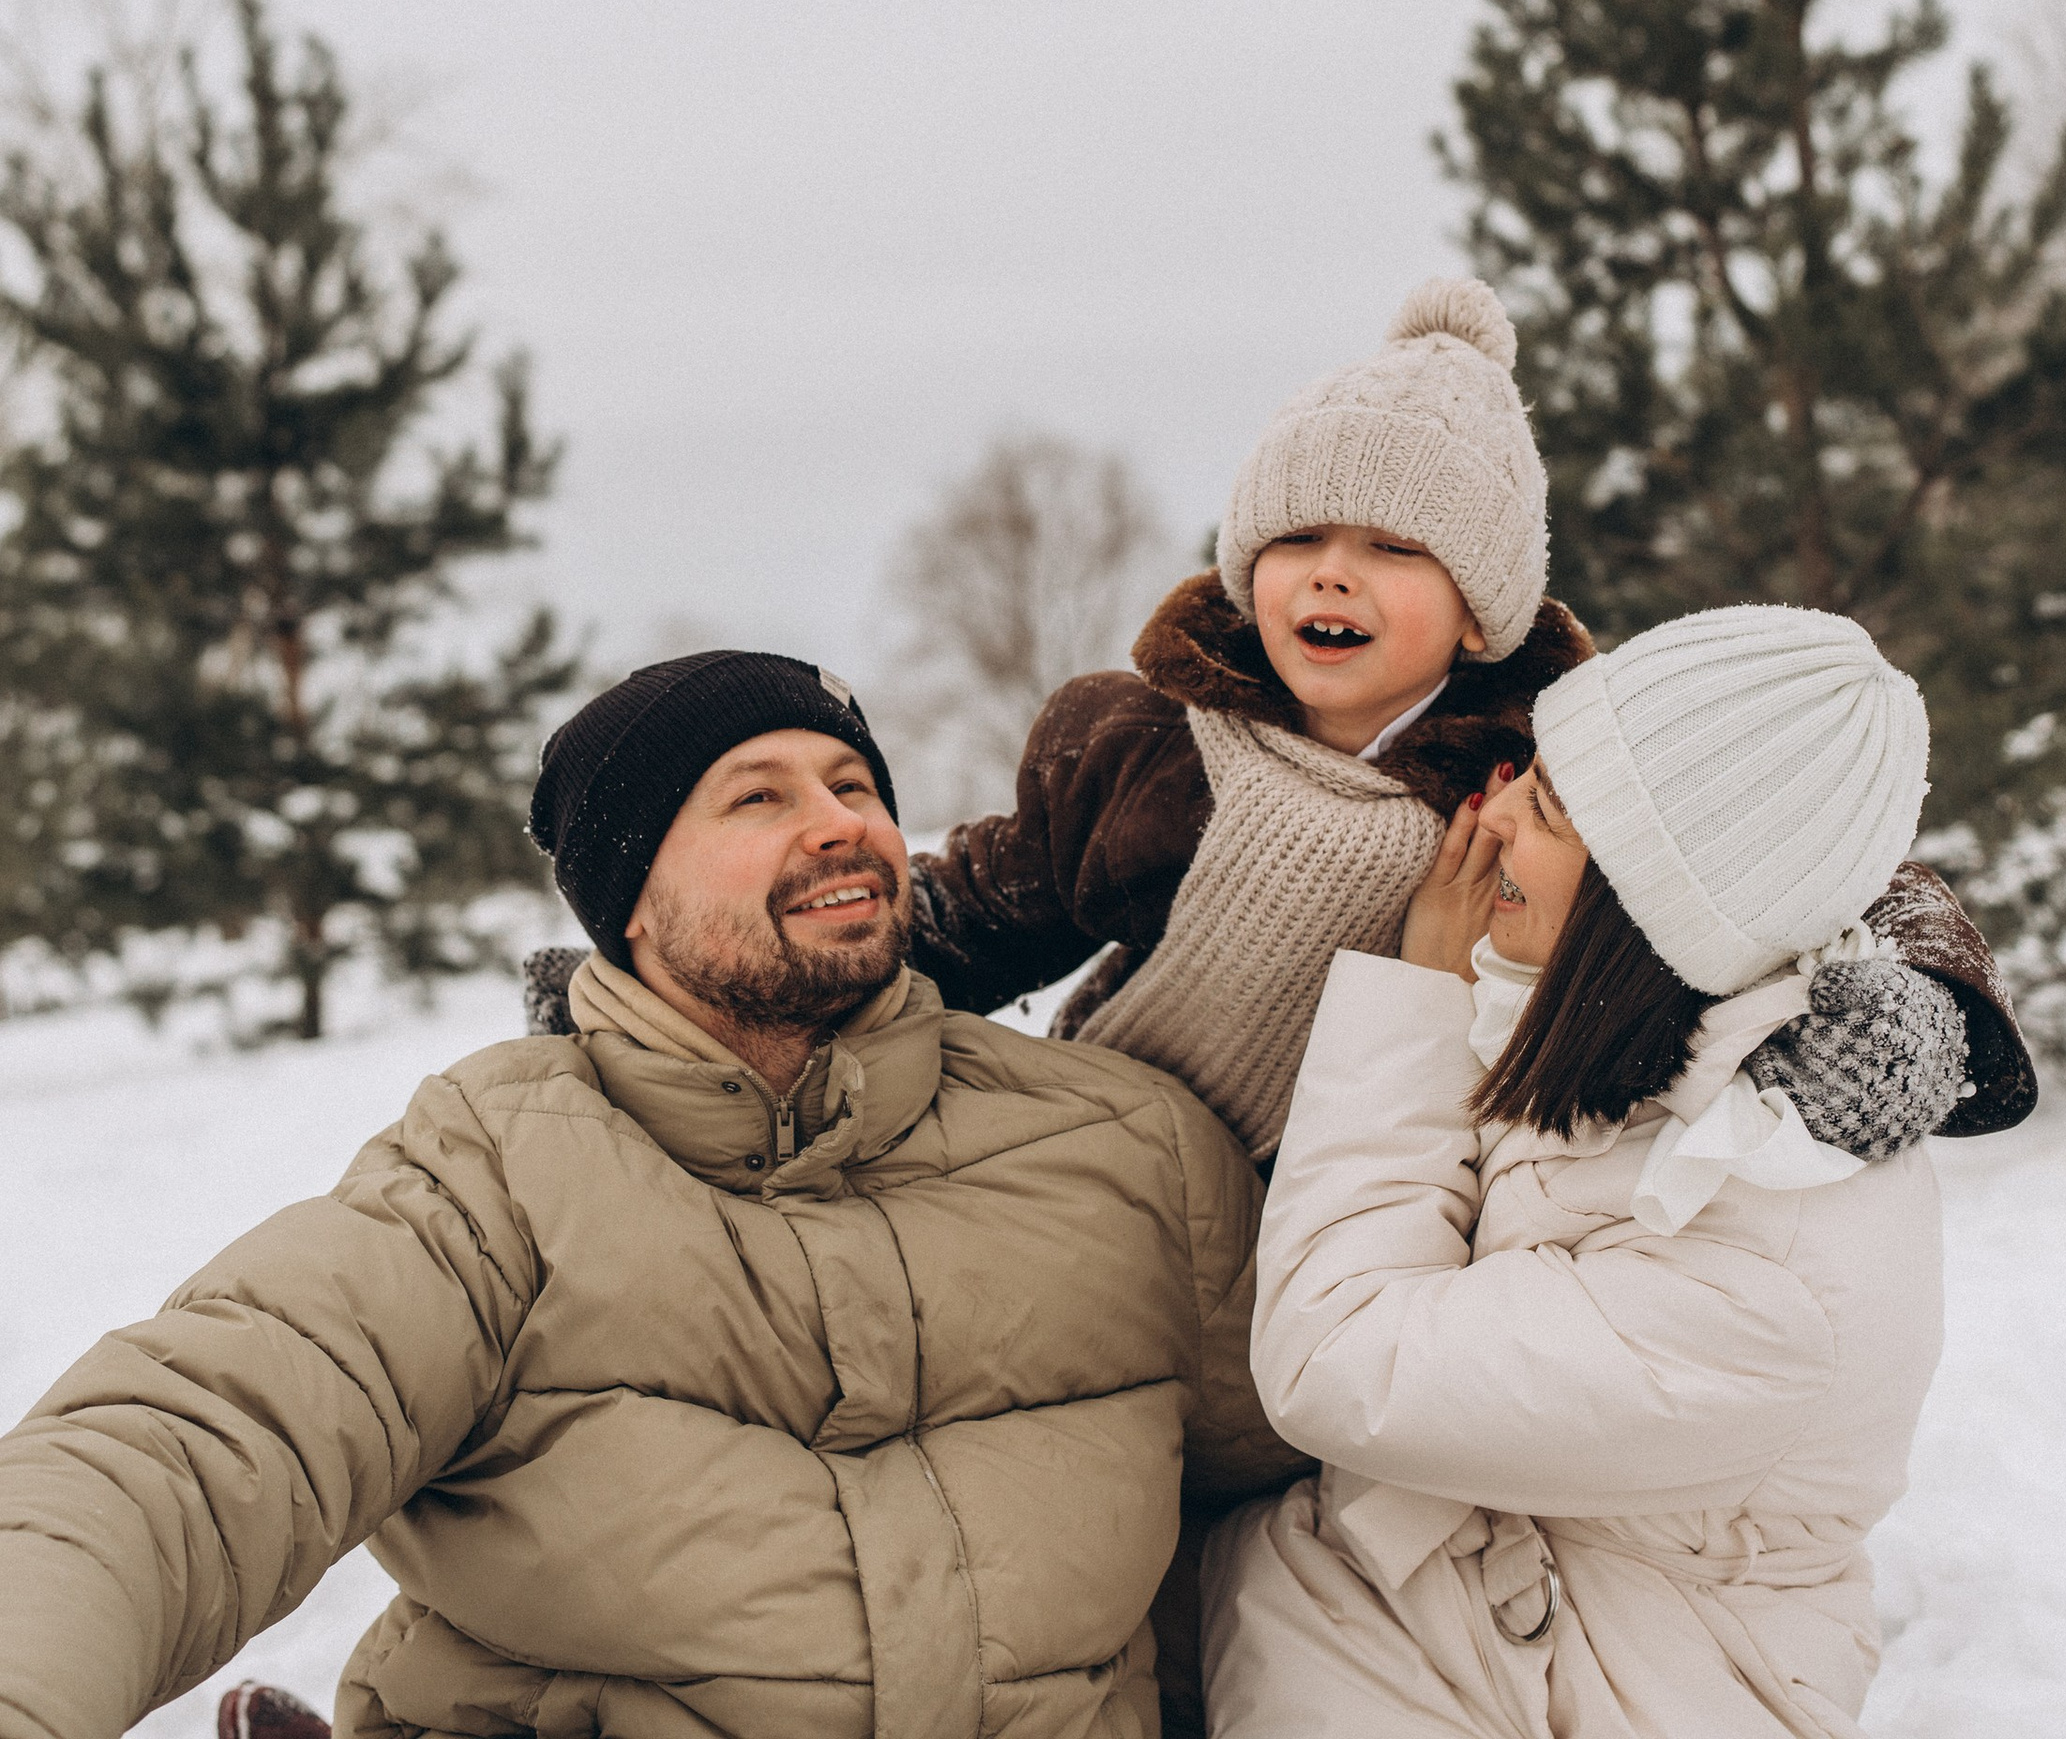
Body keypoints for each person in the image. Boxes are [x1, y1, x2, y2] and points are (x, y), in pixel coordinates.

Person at [0, 650, 1298, 1739]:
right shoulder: (503, 1167)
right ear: (632, 895)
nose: (841, 818)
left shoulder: (1129, 1153)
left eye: (854, 784)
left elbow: (1349, 1486)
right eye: (757, 796)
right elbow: (198, 1441)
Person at [901, 279, 2032, 1168]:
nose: (1331, 577)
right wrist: (821, 948)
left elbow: (1809, 848)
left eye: (1394, 549)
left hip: (1358, 1195)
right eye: (1296, 541)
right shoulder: (1153, 741)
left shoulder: (1548, 764)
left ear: (1480, 611)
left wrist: (1912, 1001)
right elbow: (980, 913)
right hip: (1102, 1144)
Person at [1201, 603, 1962, 1737]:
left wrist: (1416, 997)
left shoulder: (1764, 1272)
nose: (1495, 810)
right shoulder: (1669, 1039)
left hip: (1597, 1682)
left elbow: (1335, 1357)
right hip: (1429, 1603)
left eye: (1546, 805)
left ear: (1648, 906)